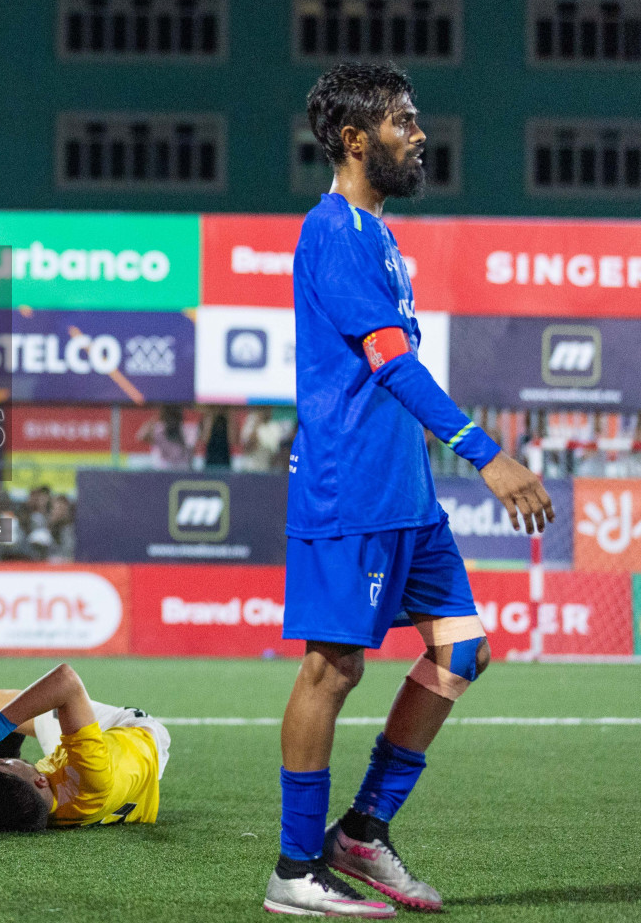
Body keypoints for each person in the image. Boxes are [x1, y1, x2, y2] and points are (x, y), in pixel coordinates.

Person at [264, 63, 555, 917]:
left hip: (407, 495)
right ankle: (293, 868)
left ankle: (361, 831)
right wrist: (485, 454)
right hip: (348, 488)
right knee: (333, 668)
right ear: (357, 140)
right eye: (402, 121)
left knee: (461, 649)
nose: (418, 134)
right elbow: (392, 363)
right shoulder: (333, 234)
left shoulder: (380, 235)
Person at [0, 663, 169, 833]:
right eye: (4, 764)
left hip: (112, 793)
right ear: (39, 779)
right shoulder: (91, 775)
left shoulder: (20, 814)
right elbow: (66, 681)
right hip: (132, 736)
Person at [137, 405, 194, 470]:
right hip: (165, 467)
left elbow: (191, 451)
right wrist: (154, 419)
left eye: (174, 416)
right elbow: (141, 437)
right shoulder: (159, 430)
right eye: (170, 415)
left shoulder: (187, 429)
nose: (172, 419)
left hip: (182, 467)